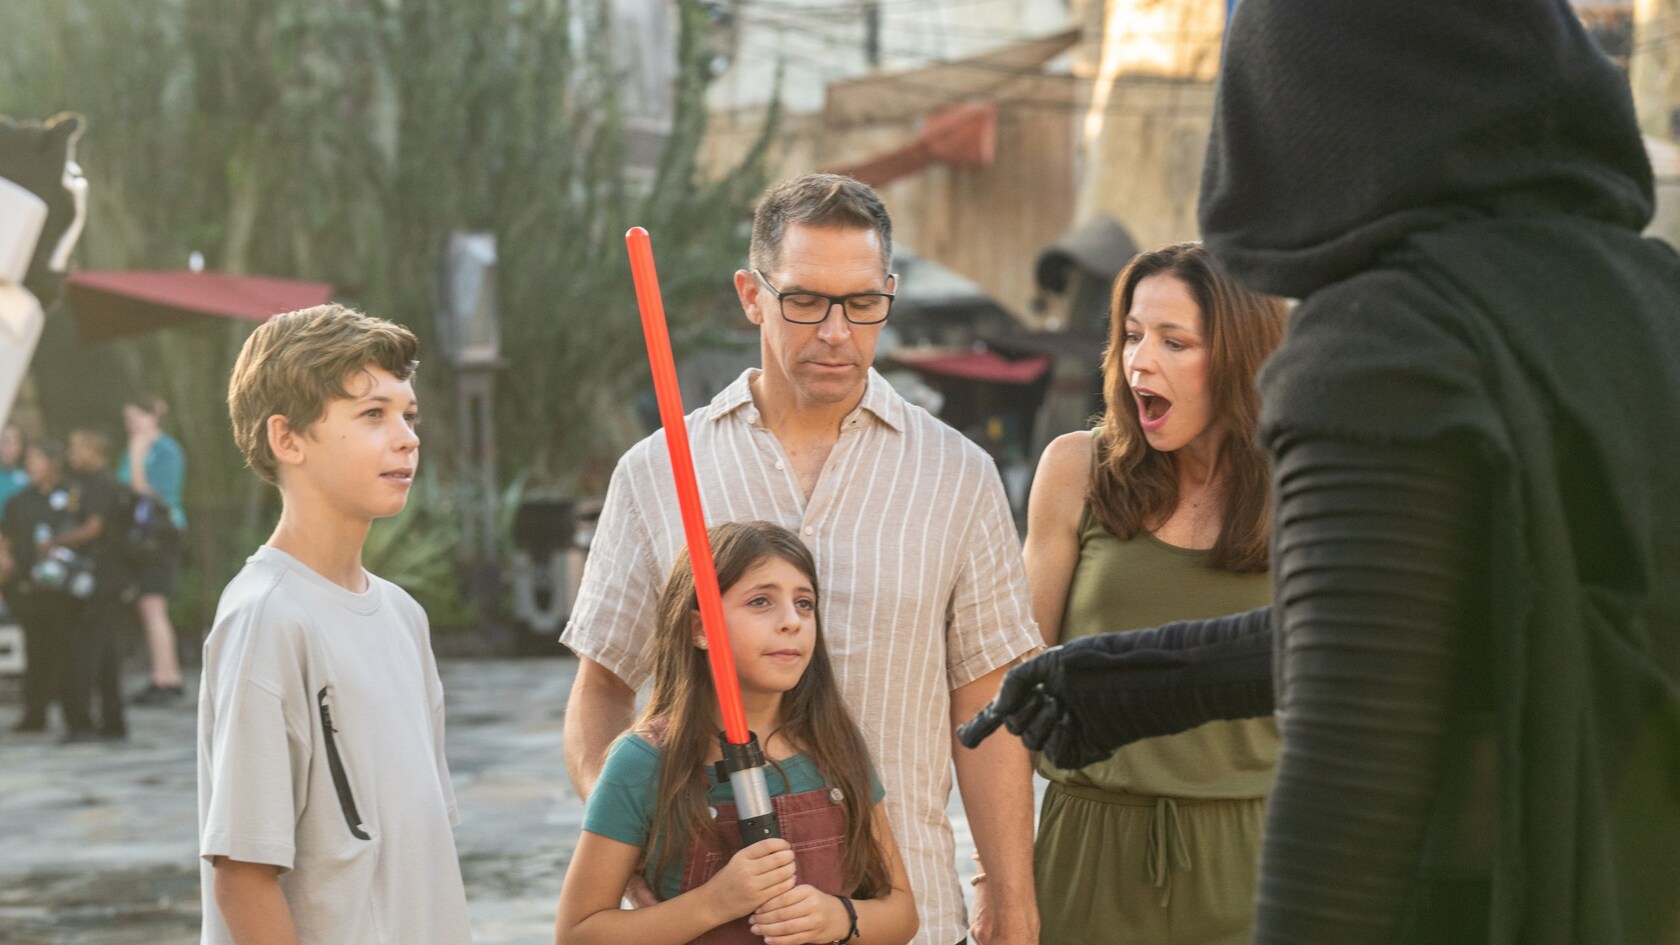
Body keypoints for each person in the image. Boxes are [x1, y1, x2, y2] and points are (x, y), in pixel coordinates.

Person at [960, 1, 1680, 943]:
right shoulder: (1647, 298)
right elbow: (1456, 619)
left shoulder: (1387, 338)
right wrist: (1144, 675)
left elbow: (1354, 766)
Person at [563, 174, 1042, 945]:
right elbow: (603, 689)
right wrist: (642, 843)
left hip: (905, 913)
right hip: (716, 920)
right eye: (806, 300)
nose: (835, 330)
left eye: (861, 304)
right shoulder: (658, 470)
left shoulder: (957, 474)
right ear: (752, 294)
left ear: (889, 295)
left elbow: (985, 708)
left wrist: (1012, 904)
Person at [1023, 243, 1285, 942]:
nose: (1141, 360)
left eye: (1175, 341)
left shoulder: (1307, 488)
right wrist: (1000, 875)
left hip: (1256, 852)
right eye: (1133, 335)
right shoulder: (1075, 469)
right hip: (1087, 847)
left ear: (1240, 356)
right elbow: (1012, 685)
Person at [198, 304, 469, 945]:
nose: (407, 437)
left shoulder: (404, 616)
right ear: (286, 438)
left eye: (408, 415)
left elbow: (422, 851)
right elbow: (243, 876)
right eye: (372, 414)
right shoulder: (267, 617)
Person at [555, 520, 919, 945]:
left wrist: (839, 918)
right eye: (761, 601)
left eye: (804, 603)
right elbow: (577, 933)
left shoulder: (834, 747)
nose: (791, 622)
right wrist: (714, 902)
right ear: (700, 628)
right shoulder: (643, 762)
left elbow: (901, 912)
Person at [0, 437, 98, 738]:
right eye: (28, 461)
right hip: (29, 587)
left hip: (65, 591)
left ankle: (75, 716)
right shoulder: (20, 500)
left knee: (67, 651)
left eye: (37, 459)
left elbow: (89, 529)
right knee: (36, 650)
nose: (31, 466)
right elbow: (6, 536)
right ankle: (35, 714)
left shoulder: (72, 495)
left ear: (53, 463)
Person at [119, 393, 187, 705]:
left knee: (154, 605)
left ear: (153, 417)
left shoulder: (164, 450)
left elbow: (147, 492)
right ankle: (163, 672)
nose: (132, 425)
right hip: (136, 537)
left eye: (137, 417)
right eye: (128, 419)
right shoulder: (132, 449)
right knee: (147, 606)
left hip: (159, 536)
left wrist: (136, 455)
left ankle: (167, 677)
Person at [64, 428, 131, 741]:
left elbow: (94, 527)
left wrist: (55, 542)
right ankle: (113, 721)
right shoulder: (101, 483)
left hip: (100, 577)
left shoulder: (98, 484)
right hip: (108, 576)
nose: (72, 454)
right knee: (104, 652)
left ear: (95, 451)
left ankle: (82, 722)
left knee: (88, 650)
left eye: (78, 447)